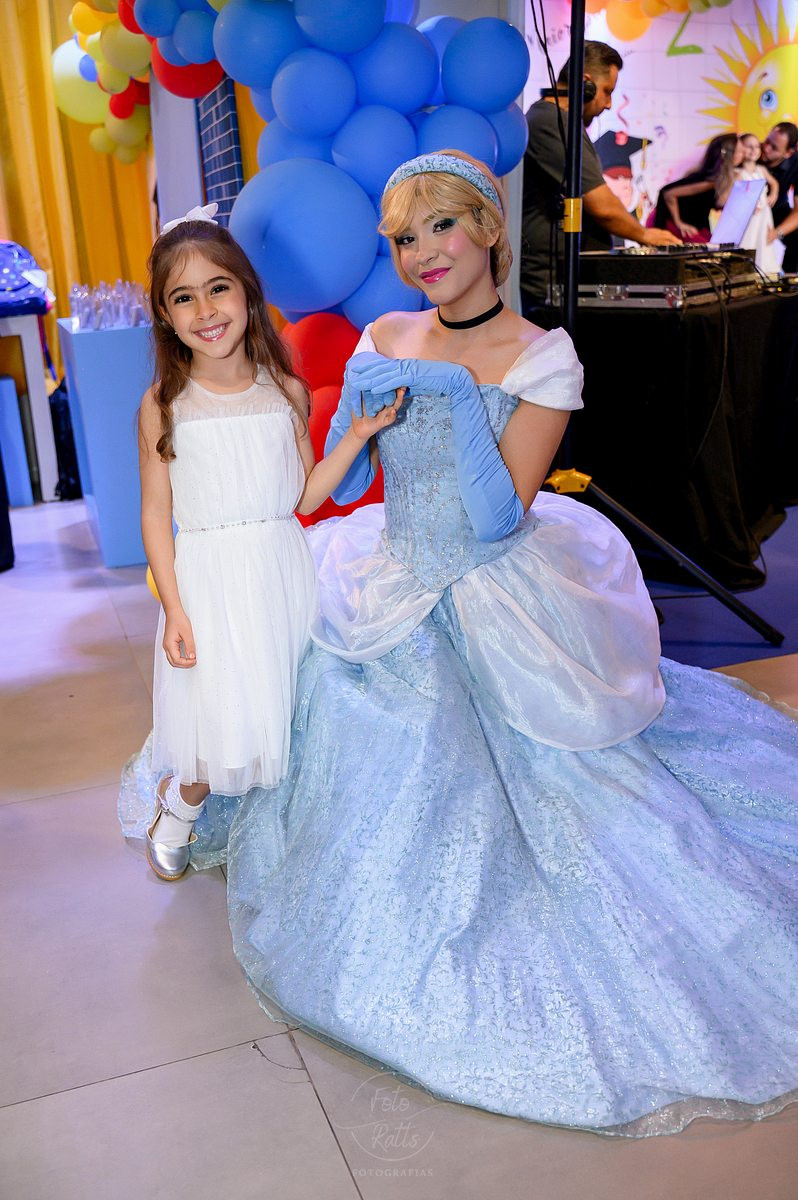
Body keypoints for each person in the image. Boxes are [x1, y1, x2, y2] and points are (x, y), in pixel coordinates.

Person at [209, 151, 798, 1136]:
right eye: (405, 238)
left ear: (489, 227)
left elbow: (496, 516)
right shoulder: (384, 334)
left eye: (442, 225)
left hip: (494, 581)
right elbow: (349, 484)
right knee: (332, 702)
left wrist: (447, 397)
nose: (423, 253)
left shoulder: (544, 357)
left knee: (570, 780)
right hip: (388, 568)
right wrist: (348, 431)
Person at [131, 207, 398, 881]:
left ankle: (287, 839)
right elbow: (157, 514)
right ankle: (179, 807)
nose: (205, 310)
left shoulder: (285, 392)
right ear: (165, 315)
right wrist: (175, 608)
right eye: (183, 298)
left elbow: (302, 499)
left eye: (218, 288)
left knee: (279, 708)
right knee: (216, 719)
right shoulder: (164, 404)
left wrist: (355, 437)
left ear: (247, 292)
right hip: (209, 579)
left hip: (279, 570)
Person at [521, 40, 679, 314]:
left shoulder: (561, 122)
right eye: (607, 92)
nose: (608, 104)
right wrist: (645, 235)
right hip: (549, 284)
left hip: (564, 279)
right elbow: (602, 206)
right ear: (586, 84)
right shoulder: (550, 122)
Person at [652, 133, 741, 241]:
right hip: (675, 224)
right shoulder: (707, 181)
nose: (743, 155)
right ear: (730, 155)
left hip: (697, 223)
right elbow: (668, 193)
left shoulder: (719, 179)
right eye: (739, 151)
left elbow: (718, 204)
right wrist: (679, 223)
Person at [736, 132, 782, 274]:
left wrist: (773, 194)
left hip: (764, 214)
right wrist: (748, 205)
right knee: (749, 240)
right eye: (749, 146)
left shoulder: (761, 170)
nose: (754, 150)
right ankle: (747, 270)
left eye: (756, 146)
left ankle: (763, 269)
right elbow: (737, 197)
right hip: (749, 216)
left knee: (763, 241)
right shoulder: (738, 172)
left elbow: (774, 183)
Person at [761, 121, 798, 270]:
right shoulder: (753, 150)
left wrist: (776, 233)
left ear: (788, 153)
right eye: (767, 141)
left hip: (776, 208)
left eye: (774, 148)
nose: (766, 148)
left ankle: (789, 281)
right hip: (747, 209)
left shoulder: (796, 164)